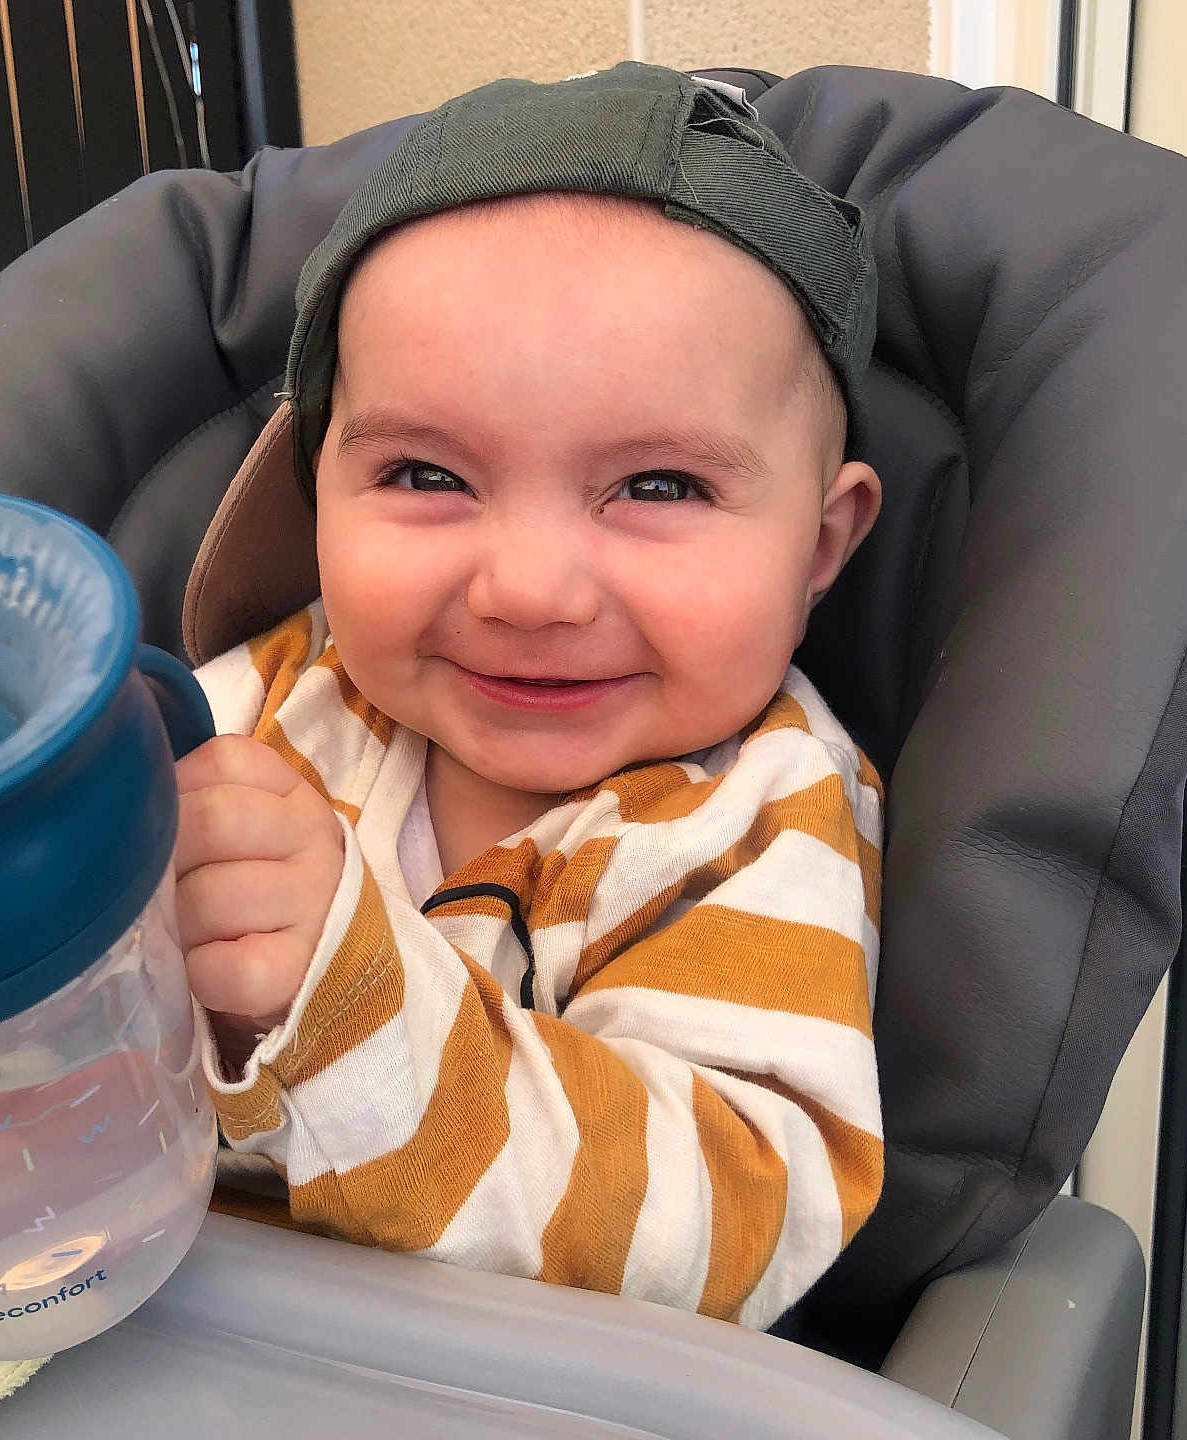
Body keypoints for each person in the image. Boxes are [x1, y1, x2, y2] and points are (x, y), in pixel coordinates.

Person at [174, 61, 884, 1331]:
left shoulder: (750, 821)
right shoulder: (283, 696)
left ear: (819, 548)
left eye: (659, 487)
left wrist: (343, 1008)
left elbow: (726, 1228)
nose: (532, 590)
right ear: (312, 488)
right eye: (428, 473)